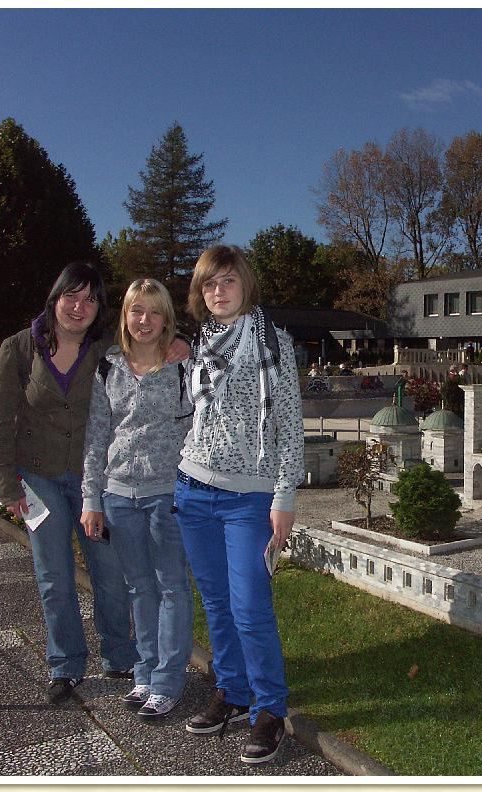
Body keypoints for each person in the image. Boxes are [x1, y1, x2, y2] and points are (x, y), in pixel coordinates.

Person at [0, 262, 145, 705]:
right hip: (38, 480)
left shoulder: (108, 350)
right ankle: (65, 664)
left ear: (100, 307)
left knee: (109, 573)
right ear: (55, 298)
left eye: (90, 299)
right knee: (54, 576)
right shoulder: (19, 348)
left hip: (94, 480)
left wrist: (181, 343)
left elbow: (155, 339)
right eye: (71, 296)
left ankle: (120, 655)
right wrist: (7, 486)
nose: (79, 307)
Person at [175, 245, 304, 765]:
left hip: (248, 497)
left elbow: (289, 425)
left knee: (250, 608)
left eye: (227, 280)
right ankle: (232, 691)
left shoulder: (273, 342)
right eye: (209, 284)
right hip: (193, 489)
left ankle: (269, 708)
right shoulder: (202, 343)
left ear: (245, 284)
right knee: (216, 603)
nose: (218, 291)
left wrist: (284, 497)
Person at [79, 279, 194, 720]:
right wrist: (91, 498)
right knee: (139, 587)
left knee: (171, 586)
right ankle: (145, 672)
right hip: (118, 495)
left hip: (167, 493)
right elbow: (96, 436)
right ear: (125, 316)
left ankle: (168, 680)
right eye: (136, 310)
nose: (144, 320)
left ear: (166, 318)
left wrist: (188, 343)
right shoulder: (109, 367)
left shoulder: (184, 365)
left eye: (154, 311)